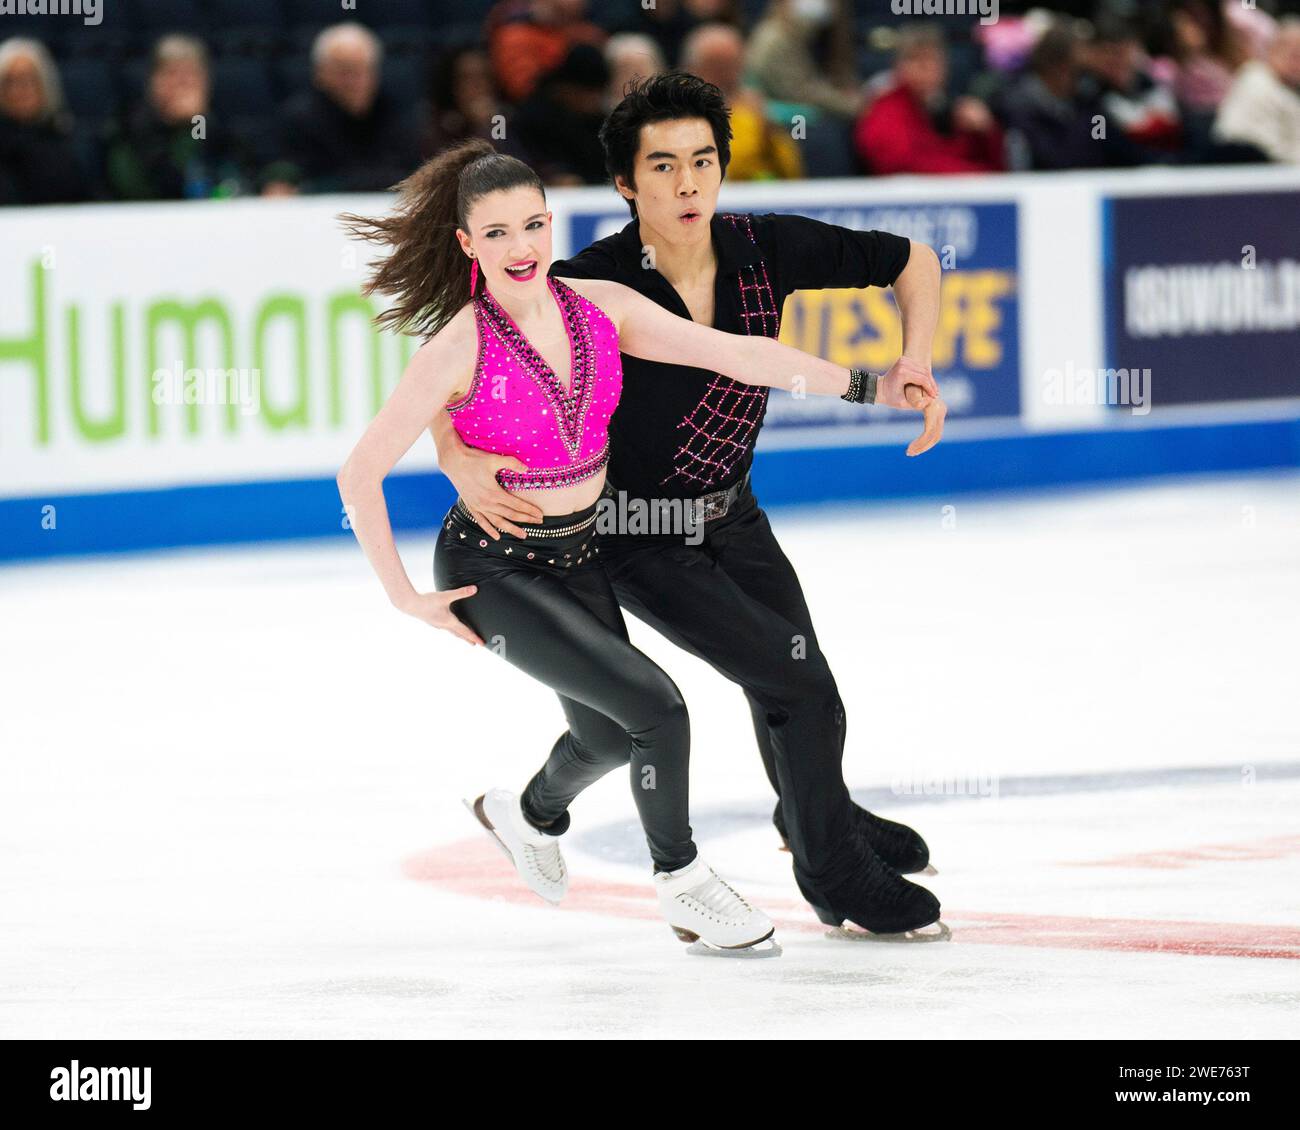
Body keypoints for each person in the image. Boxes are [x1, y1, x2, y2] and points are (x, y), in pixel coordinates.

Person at [336, 140, 944, 952]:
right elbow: (359, 472)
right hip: (492, 565)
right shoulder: (455, 347)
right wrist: (404, 597)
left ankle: (527, 814)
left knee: (609, 736)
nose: (521, 248)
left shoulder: (600, 306)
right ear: (466, 245)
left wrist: (871, 385)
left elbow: (740, 354)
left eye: (534, 225)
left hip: (580, 550)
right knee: (658, 709)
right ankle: (683, 880)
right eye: (498, 233)